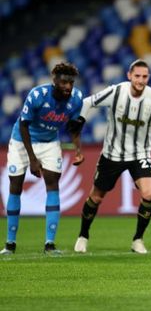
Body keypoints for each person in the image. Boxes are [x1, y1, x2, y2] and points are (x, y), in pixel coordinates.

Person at [73, 59, 151, 254]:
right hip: (112, 154)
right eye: (137, 76)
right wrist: (81, 119)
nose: (141, 80)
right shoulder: (117, 91)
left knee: (149, 195)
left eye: (144, 77)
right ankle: (83, 235)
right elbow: (87, 102)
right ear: (129, 76)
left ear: (148, 77)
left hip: (140, 153)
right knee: (96, 197)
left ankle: (137, 240)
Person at [1, 62, 84, 255]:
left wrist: (78, 150)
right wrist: (32, 159)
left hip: (49, 143)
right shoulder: (37, 95)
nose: (68, 87)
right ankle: (10, 244)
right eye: (64, 82)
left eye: (71, 82)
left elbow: (73, 127)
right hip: (22, 141)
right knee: (15, 186)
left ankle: (49, 244)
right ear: (54, 81)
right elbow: (23, 126)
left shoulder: (77, 98)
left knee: (53, 184)